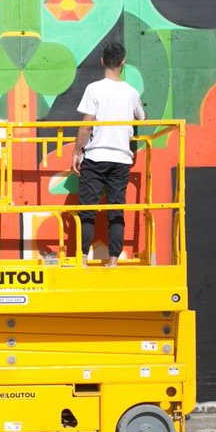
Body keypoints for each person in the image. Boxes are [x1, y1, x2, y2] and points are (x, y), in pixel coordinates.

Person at [72, 42, 146, 267]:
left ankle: (83, 258)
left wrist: (77, 150)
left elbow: (87, 124)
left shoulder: (94, 89)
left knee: (87, 210)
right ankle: (113, 260)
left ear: (102, 61)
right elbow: (142, 118)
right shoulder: (131, 92)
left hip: (96, 156)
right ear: (123, 62)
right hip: (121, 158)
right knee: (116, 208)